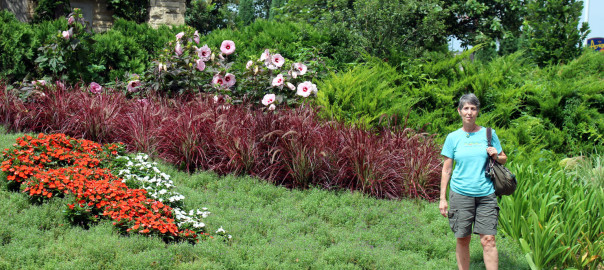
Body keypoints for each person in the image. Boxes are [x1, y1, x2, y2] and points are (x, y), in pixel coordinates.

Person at [439, 93, 507, 270]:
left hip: (486, 195)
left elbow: (503, 158)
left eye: (473, 108)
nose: (469, 112)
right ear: (460, 111)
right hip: (460, 194)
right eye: (466, 108)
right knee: (463, 239)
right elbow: (446, 170)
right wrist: (442, 199)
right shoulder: (453, 138)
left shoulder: (489, 134)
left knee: (489, 240)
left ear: (477, 112)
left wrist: (495, 155)